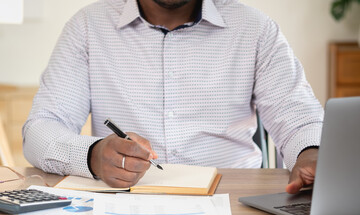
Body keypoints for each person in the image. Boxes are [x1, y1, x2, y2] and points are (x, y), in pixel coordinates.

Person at [22, 0, 323, 194]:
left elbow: (299, 117)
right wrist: (91, 155)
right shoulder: (87, 27)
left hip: (233, 201)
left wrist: (311, 153)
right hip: (122, 206)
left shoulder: (256, 29)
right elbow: (41, 129)